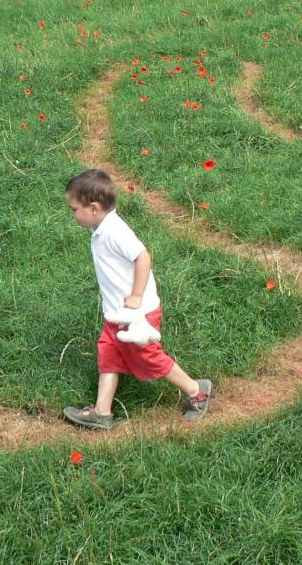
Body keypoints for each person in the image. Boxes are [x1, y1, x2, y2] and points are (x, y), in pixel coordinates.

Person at [63, 169, 212, 430]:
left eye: (74, 209)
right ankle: (102, 412)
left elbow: (142, 257)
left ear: (94, 208)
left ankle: (196, 390)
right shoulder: (101, 228)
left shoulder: (114, 231)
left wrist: (136, 296)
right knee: (107, 354)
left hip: (136, 315)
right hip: (116, 314)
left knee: (148, 357)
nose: (72, 214)